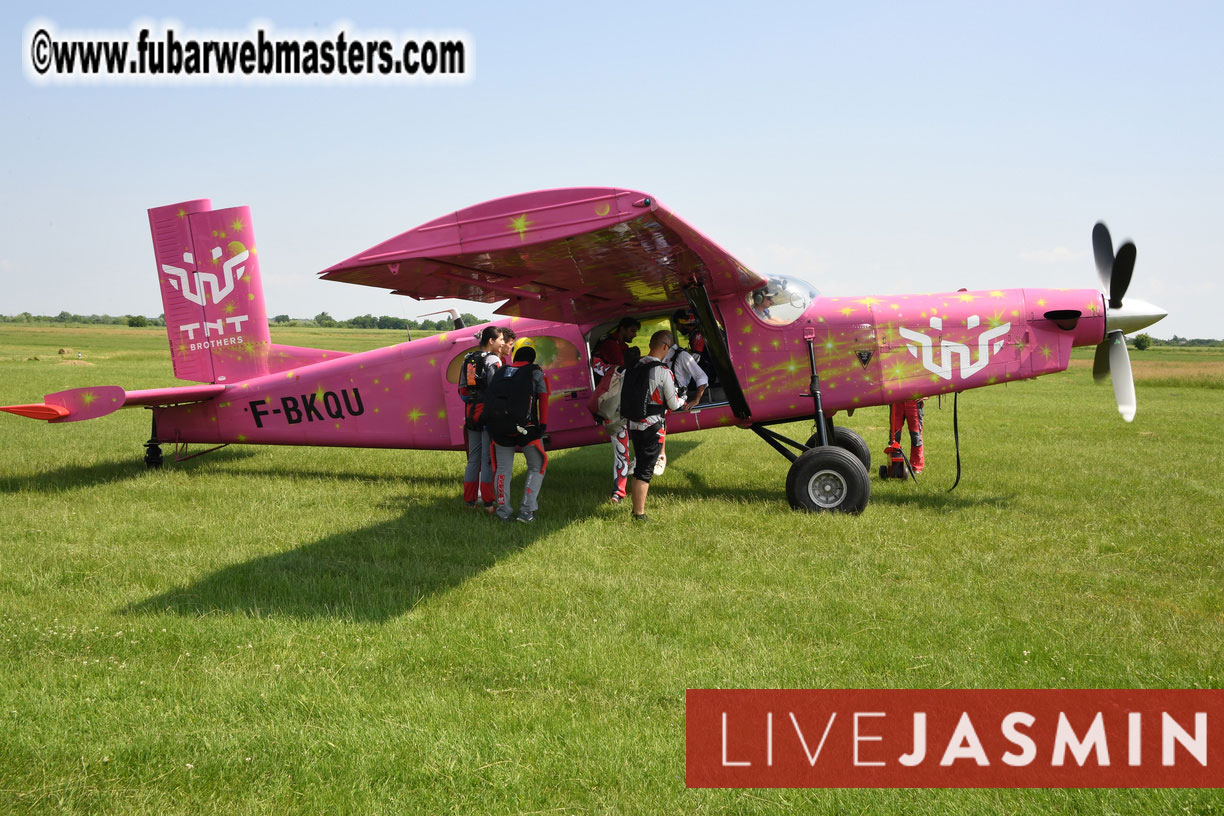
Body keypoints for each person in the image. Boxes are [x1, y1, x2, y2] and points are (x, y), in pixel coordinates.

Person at [486, 345, 551, 523]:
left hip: (498, 427)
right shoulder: (535, 372)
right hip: (526, 428)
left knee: (503, 470)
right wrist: (543, 424)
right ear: (532, 359)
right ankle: (527, 511)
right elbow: (543, 397)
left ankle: (503, 512)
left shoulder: (501, 371)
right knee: (537, 465)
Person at [624, 330, 683, 521]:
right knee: (645, 470)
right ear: (665, 346)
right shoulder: (663, 370)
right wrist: (682, 399)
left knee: (640, 465)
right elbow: (672, 404)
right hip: (652, 426)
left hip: (634, 423)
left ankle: (636, 510)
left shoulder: (636, 365)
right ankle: (639, 514)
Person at [459, 326, 507, 509]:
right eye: (501, 339)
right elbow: (497, 390)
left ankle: (469, 501)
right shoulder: (494, 361)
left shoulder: (469, 360)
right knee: (487, 459)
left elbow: (463, 392)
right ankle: (488, 502)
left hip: (471, 414)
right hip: (488, 414)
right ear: (491, 341)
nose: (502, 343)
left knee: (473, 459)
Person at [591, 317, 640, 385]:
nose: (635, 335)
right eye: (632, 331)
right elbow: (620, 367)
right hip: (605, 383)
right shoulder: (610, 343)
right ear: (622, 329)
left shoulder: (622, 345)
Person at [887, 399, 925, 473]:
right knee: (894, 437)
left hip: (914, 403)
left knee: (916, 436)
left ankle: (916, 466)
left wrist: (926, 394)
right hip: (896, 402)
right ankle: (893, 466)